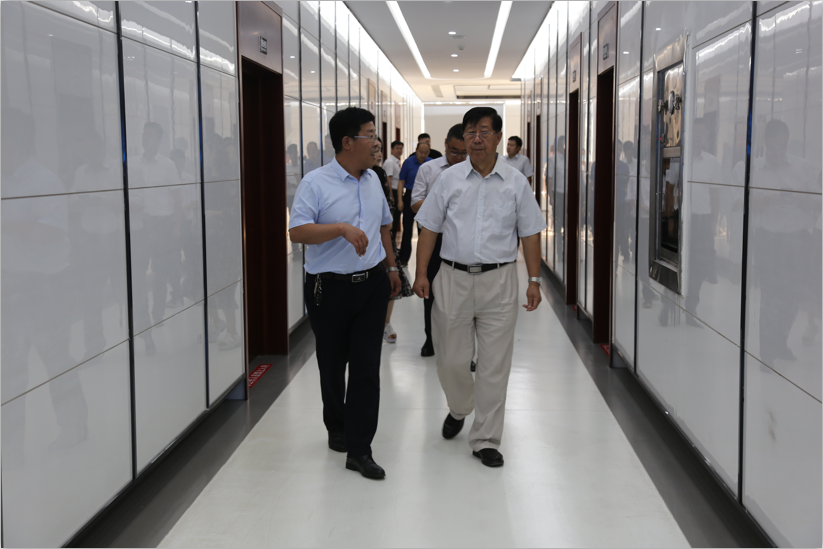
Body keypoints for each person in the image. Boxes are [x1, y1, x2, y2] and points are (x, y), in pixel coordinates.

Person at [413, 107, 547, 468]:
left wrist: (534, 280)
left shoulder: (516, 182)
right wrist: (421, 273)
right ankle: (460, 407)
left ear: (498, 137)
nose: (476, 139)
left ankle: (486, 438)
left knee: (494, 365)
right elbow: (429, 228)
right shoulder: (448, 179)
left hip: (499, 280)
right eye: (471, 132)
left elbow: (530, 233)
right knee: (450, 360)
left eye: (484, 132)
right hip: (452, 277)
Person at [289, 107, 402, 480]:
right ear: (347, 142)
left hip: (371, 285)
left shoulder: (374, 180)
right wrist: (339, 228)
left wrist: (391, 269)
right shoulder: (316, 183)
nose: (377, 142)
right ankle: (336, 425)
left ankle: (360, 449)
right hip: (328, 289)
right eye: (370, 134)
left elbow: (384, 227)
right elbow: (297, 231)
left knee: (367, 368)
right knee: (332, 365)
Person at [411, 123, 467, 357]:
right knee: (431, 292)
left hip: (462, 242)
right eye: (454, 151)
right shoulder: (429, 169)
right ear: (445, 144)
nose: (459, 157)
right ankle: (431, 339)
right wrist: (444, 208)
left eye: (463, 153)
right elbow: (416, 202)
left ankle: (464, 348)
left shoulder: (474, 170)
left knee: (463, 297)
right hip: (434, 240)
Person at [372, 139, 414, 343]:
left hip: (382, 235)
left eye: (379, 149)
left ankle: (386, 323)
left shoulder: (379, 173)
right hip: (363, 238)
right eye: (374, 149)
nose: (378, 153)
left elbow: (386, 201)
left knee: (390, 278)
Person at [397, 142, 432, 264]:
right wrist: (400, 200)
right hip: (409, 196)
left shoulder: (431, 163)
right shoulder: (408, 162)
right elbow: (401, 181)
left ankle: (424, 260)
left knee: (424, 231)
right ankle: (404, 259)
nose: (423, 155)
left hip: (424, 198)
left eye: (426, 153)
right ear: (416, 150)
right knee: (407, 230)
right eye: (421, 152)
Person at [383, 140, 404, 240]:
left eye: (401, 148)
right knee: (392, 221)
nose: (399, 150)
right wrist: (391, 196)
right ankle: (391, 243)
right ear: (392, 149)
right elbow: (388, 180)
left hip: (396, 191)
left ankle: (394, 242)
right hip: (393, 192)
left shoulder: (396, 162)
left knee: (396, 220)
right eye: (397, 148)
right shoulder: (390, 162)